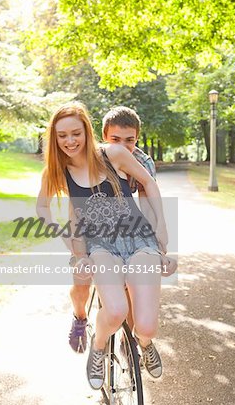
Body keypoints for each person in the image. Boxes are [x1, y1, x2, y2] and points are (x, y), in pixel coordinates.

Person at [36, 102, 169, 390]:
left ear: (87, 130)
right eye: (62, 136)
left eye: (76, 133)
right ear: (54, 138)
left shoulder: (114, 154)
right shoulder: (57, 171)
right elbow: (43, 208)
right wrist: (68, 238)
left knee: (146, 326)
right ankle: (98, 346)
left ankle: (144, 344)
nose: (70, 141)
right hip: (99, 245)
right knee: (116, 308)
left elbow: (148, 182)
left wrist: (162, 228)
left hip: (138, 239)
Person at [69, 106, 177, 357]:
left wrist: (157, 238)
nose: (123, 146)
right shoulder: (90, 157)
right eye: (116, 139)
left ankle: (127, 343)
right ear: (104, 137)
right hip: (92, 230)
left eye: (130, 140)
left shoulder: (142, 162)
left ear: (137, 139)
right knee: (82, 283)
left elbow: (147, 199)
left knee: (131, 284)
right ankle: (80, 316)